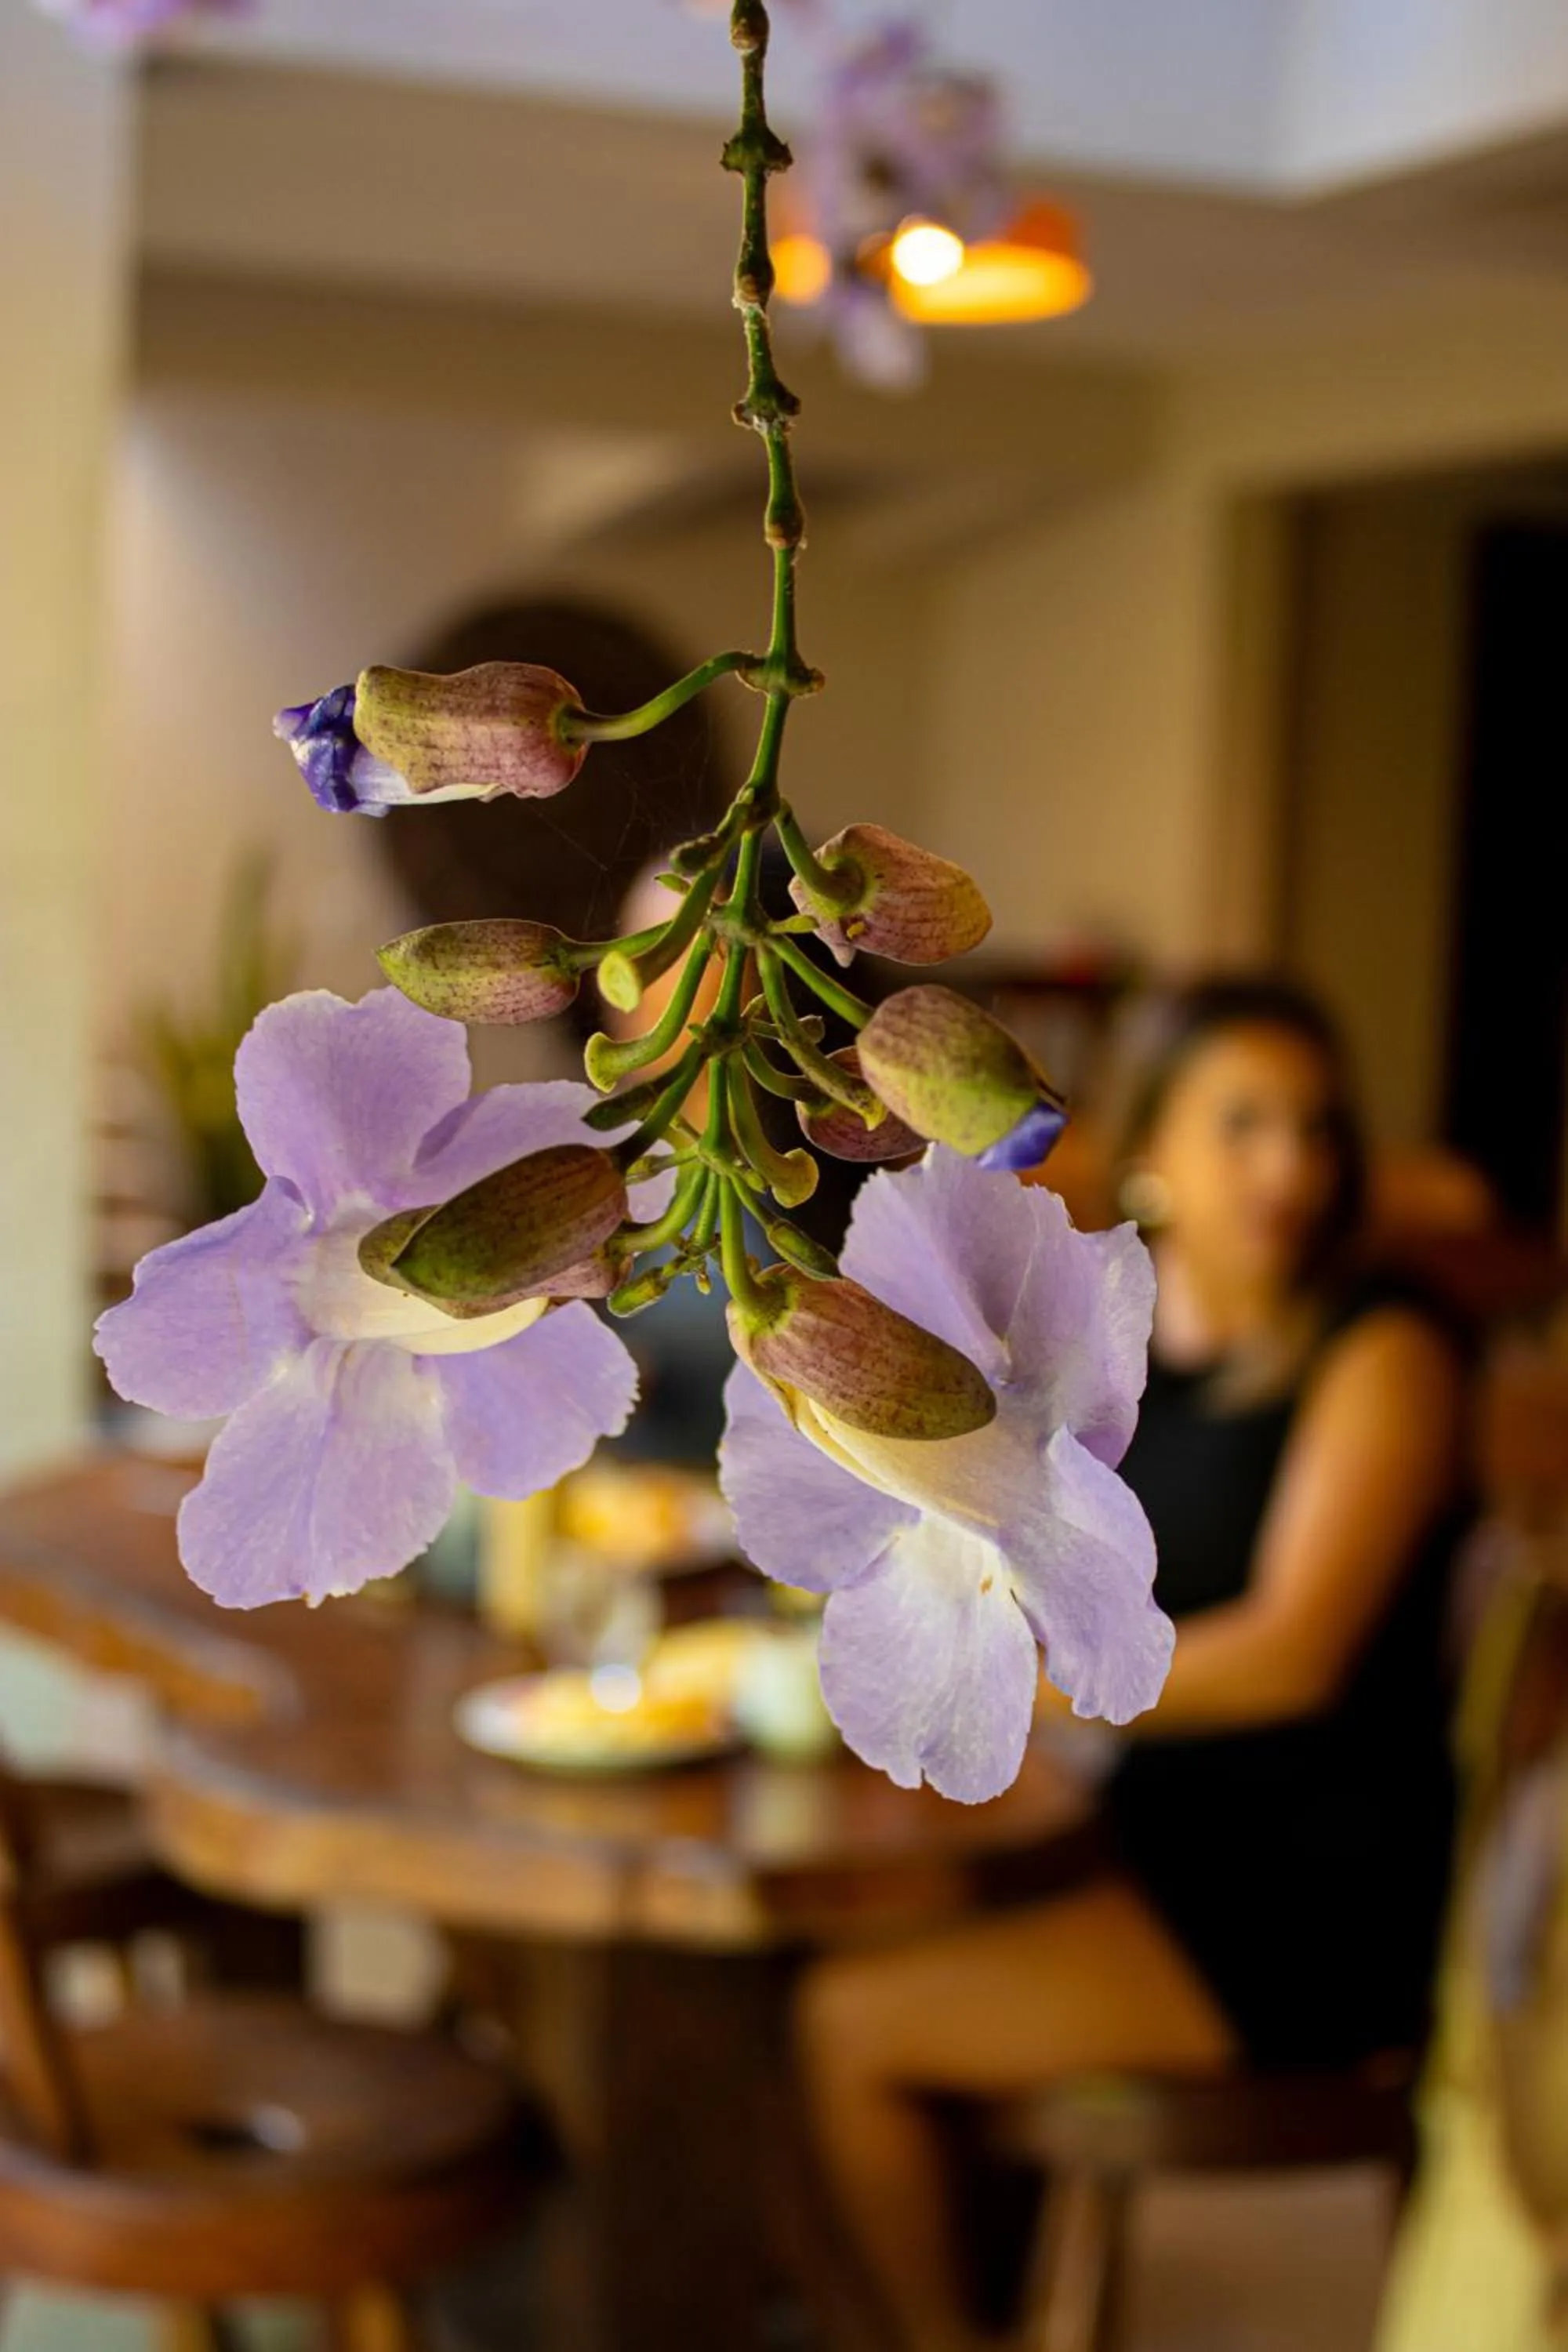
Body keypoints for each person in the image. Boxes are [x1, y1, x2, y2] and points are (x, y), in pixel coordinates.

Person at [797, 975, 1468, 2352]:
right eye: (1244, 1123)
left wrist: (1025, 1694)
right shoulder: (1130, 1338)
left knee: (845, 2026)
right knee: (841, 1935)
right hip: (1159, 1844)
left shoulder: (1383, 1347)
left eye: (1316, 1128)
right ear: (1155, 1142)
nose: (1288, 1166)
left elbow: (1293, 1657)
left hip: (1298, 1904)